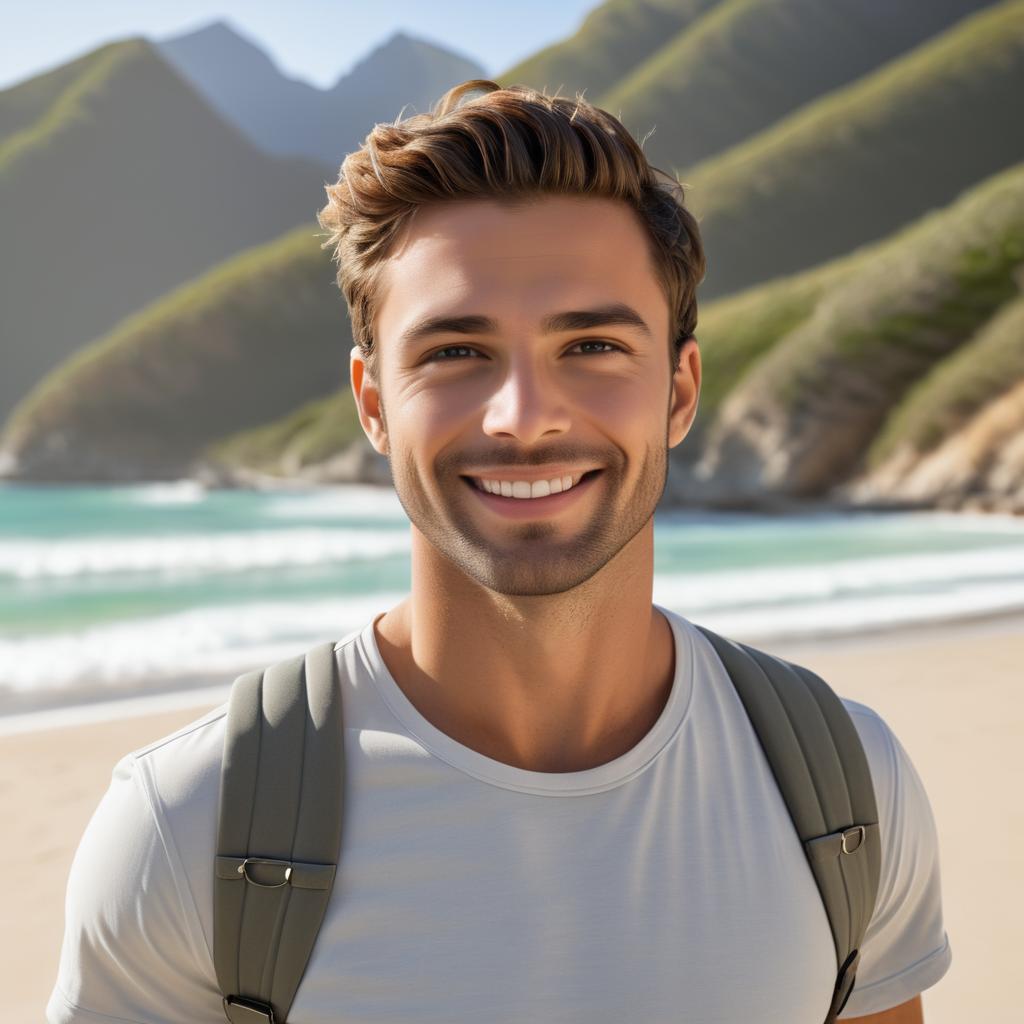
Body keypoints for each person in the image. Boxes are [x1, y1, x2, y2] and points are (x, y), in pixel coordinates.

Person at [48, 79, 951, 1024]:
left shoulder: (848, 789)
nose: (524, 418)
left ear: (680, 391)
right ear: (372, 403)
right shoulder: (188, 828)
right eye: (454, 353)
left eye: (594, 344)